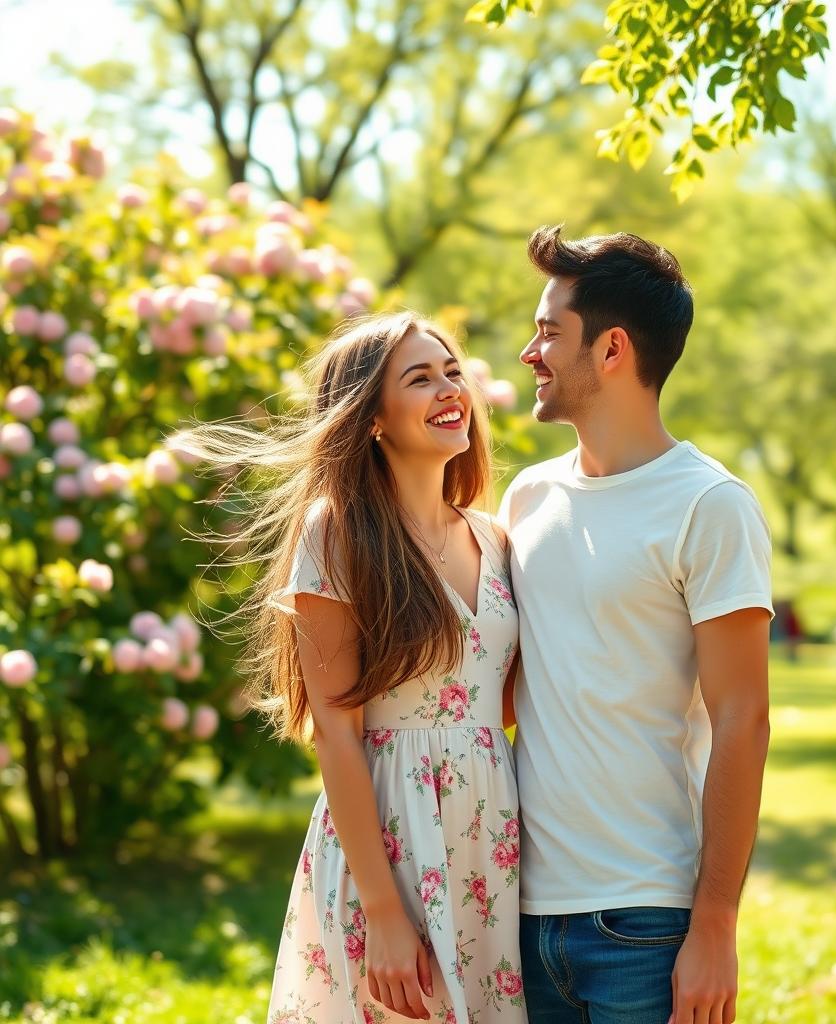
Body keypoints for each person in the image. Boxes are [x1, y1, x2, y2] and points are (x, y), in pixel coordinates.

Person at [181, 313, 525, 1024]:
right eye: (420, 378)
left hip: (489, 839)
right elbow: (335, 733)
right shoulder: (338, 532)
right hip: (389, 839)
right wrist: (385, 915)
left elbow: (504, 700)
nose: (448, 389)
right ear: (372, 418)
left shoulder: (494, 539)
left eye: (453, 372)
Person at [499, 227, 774, 1024]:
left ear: (612, 348)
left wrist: (715, 923)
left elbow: (742, 719)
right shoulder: (526, 498)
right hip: (517, 909)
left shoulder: (709, 505)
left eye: (549, 332)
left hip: (644, 921)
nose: (529, 352)